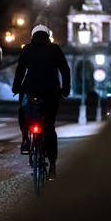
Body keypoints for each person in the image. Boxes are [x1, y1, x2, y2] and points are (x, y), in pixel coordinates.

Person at [12, 24, 71, 181]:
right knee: (50, 128)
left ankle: (25, 140)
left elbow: (20, 70)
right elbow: (66, 70)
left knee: (23, 111)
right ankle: (52, 167)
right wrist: (65, 90)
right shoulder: (55, 49)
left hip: (29, 92)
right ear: (47, 35)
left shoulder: (27, 49)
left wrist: (16, 87)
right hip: (50, 93)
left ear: (32, 36)